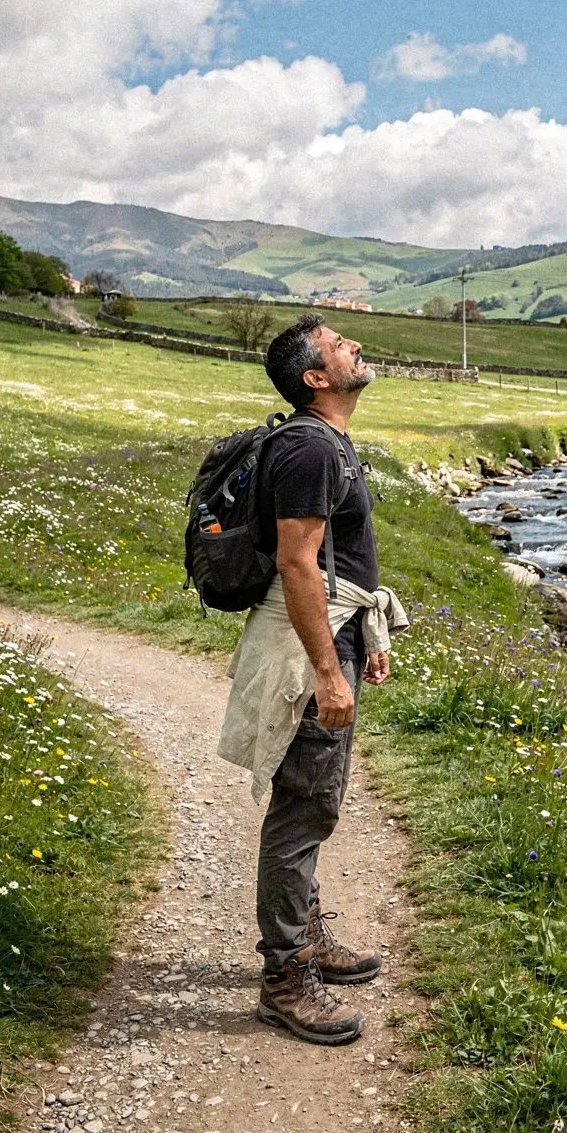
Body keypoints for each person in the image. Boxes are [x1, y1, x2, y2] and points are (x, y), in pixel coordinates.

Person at [218, 312, 407, 1045]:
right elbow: (298, 565)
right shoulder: (308, 447)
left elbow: (333, 566)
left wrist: (367, 634)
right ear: (315, 378)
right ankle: (286, 978)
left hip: (336, 630)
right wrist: (330, 674)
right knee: (304, 805)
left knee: (315, 798)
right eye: (337, 345)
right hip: (309, 646)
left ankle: (307, 934)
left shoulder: (326, 443)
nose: (354, 345)